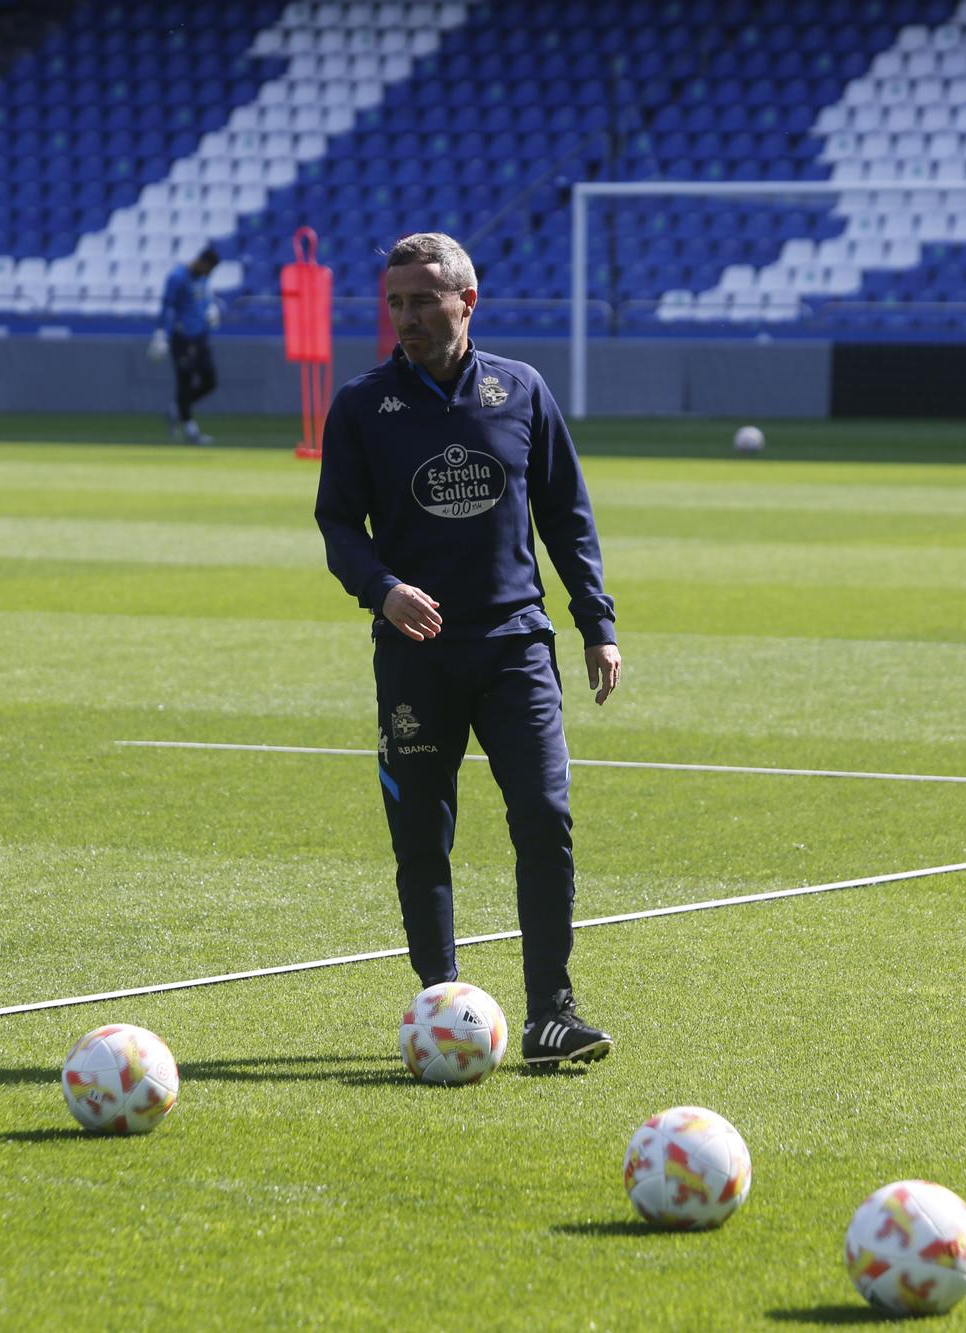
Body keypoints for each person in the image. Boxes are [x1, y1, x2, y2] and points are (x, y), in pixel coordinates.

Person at [314, 232, 623, 1069]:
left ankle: (551, 1012)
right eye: (395, 305)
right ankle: (442, 1004)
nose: (406, 320)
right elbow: (338, 523)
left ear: (467, 300)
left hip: (515, 646)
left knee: (545, 818)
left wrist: (597, 621)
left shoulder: (520, 390)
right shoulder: (361, 406)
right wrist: (382, 587)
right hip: (416, 655)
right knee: (421, 833)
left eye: (421, 302)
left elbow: (566, 512)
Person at [149, 244, 220, 444]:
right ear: (202, 262)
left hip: (200, 335)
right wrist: (161, 332)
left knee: (210, 380)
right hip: (182, 337)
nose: (209, 273)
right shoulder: (177, 277)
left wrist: (211, 309)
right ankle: (190, 429)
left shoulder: (203, 278)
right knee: (185, 380)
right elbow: (167, 305)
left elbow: (204, 299)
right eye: (209, 268)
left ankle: (177, 409)